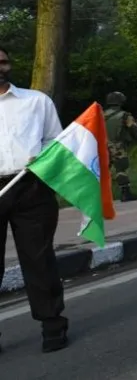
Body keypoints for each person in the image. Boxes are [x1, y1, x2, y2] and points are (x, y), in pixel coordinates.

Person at [0, 44, 70, 354]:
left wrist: (40, 158)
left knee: (39, 259)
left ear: (9, 65)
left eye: (2, 60)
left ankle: (53, 326)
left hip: (31, 186)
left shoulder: (36, 101)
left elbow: (55, 140)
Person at [103, 91, 137, 202]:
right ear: (120, 101)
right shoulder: (125, 115)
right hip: (117, 146)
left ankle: (99, 196)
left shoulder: (101, 114)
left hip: (102, 146)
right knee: (121, 168)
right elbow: (134, 130)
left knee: (103, 170)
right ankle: (126, 193)